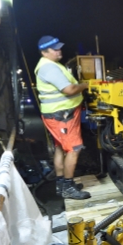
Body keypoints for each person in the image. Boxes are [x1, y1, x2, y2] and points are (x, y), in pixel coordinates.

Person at [34, 35, 91, 200]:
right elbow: (70, 90)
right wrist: (87, 85)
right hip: (62, 116)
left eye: (59, 47)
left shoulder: (51, 65)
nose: (60, 51)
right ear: (45, 52)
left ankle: (61, 184)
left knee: (60, 148)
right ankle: (67, 187)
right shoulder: (49, 68)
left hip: (58, 115)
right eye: (55, 49)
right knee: (74, 149)